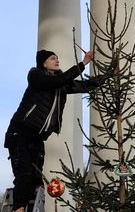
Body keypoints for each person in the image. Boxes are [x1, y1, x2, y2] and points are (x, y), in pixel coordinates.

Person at [4, 49, 97, 212]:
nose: (57, 60)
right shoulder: (36, 76)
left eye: (57, 58)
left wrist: (108, 77)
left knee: (36, 178)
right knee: (24, 174)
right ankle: (18, 209)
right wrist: (83, 64)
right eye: (53, 58)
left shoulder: (61, 83)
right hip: (19, 133)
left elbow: (82, 85)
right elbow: (55, 82)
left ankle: (34, 208)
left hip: (37, 138)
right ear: (43, 62)